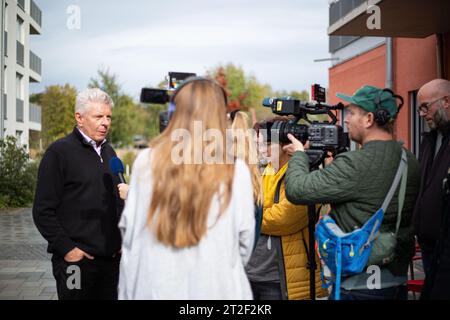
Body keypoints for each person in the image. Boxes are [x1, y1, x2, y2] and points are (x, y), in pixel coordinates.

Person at [118, 77, 255, 299]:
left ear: (175, 114)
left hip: (156, 287)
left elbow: (130, 233)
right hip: (216, 288)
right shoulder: (236, 171)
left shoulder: (146, 162)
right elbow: (245, 242)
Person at [283, 85, 420, 300]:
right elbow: (367, 194)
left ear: (369, 119)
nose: (346, 120)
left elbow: (296, 190)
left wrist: (299, 155)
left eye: (352, 113)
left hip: (359, 287)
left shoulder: (355, 163)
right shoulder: (408, 159)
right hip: (395, 282)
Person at [33, 88, 124, 300]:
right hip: (76, 264)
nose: (106, 122)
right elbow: (42, 210)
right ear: (79, 117)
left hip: (111, 264)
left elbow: (119, 201)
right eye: (99, 116)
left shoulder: (110, 152)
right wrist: (67, 250)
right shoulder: (59, 153)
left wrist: (120, 242)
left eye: (108, 117)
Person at [244, 117, 328, 300]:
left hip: (279, 280)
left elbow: (283, 219)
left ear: (288, 145)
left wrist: (248, 218)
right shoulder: (261, 171)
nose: (260, 150)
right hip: (249, 273)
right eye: (257, 144)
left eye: (266, 144)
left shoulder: (303, 177)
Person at [413, 79, 450, 299]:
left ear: (446, 101)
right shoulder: (430, 138)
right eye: (420, 108)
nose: (422, 114)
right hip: (429, 245)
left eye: (426, 106)